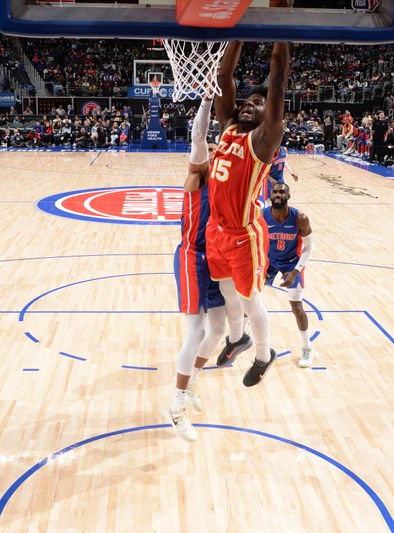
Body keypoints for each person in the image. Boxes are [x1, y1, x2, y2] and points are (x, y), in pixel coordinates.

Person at [207, 40, 290, 387]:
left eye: (257, 104)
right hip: (217, 230)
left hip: (244, 236)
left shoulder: (262, 140)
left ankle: (262, 354)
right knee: (226, 290)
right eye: (246, 101)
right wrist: (237, 34)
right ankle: (237, 338)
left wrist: (278, 32)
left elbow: (277, 81)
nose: (248, 105)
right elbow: (223, 76)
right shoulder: (227, 127)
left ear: (264, 116)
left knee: (250, 300)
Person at [168, 98, 227, 442]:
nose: (213, 152)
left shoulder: (226, 186)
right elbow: (199, 137)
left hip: (217, 257)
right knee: (195, 330)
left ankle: (192, 379)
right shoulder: (197, 178)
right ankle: (176, 406)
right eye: (211, 150)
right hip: (192, 256)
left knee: (218, 329)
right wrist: (207, 102)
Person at [263, 183, 314, 367]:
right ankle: (240, 338)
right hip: (269, 261)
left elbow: (308, 248)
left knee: (297, 307)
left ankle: (307, 348)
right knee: (249, 297)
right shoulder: (262, 216)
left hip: (291, 263)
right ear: (270, 196)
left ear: (289, 195)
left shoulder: (300, 218)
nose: (278, 194)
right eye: (275, 192)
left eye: (282, 192)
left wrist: (295, 271)